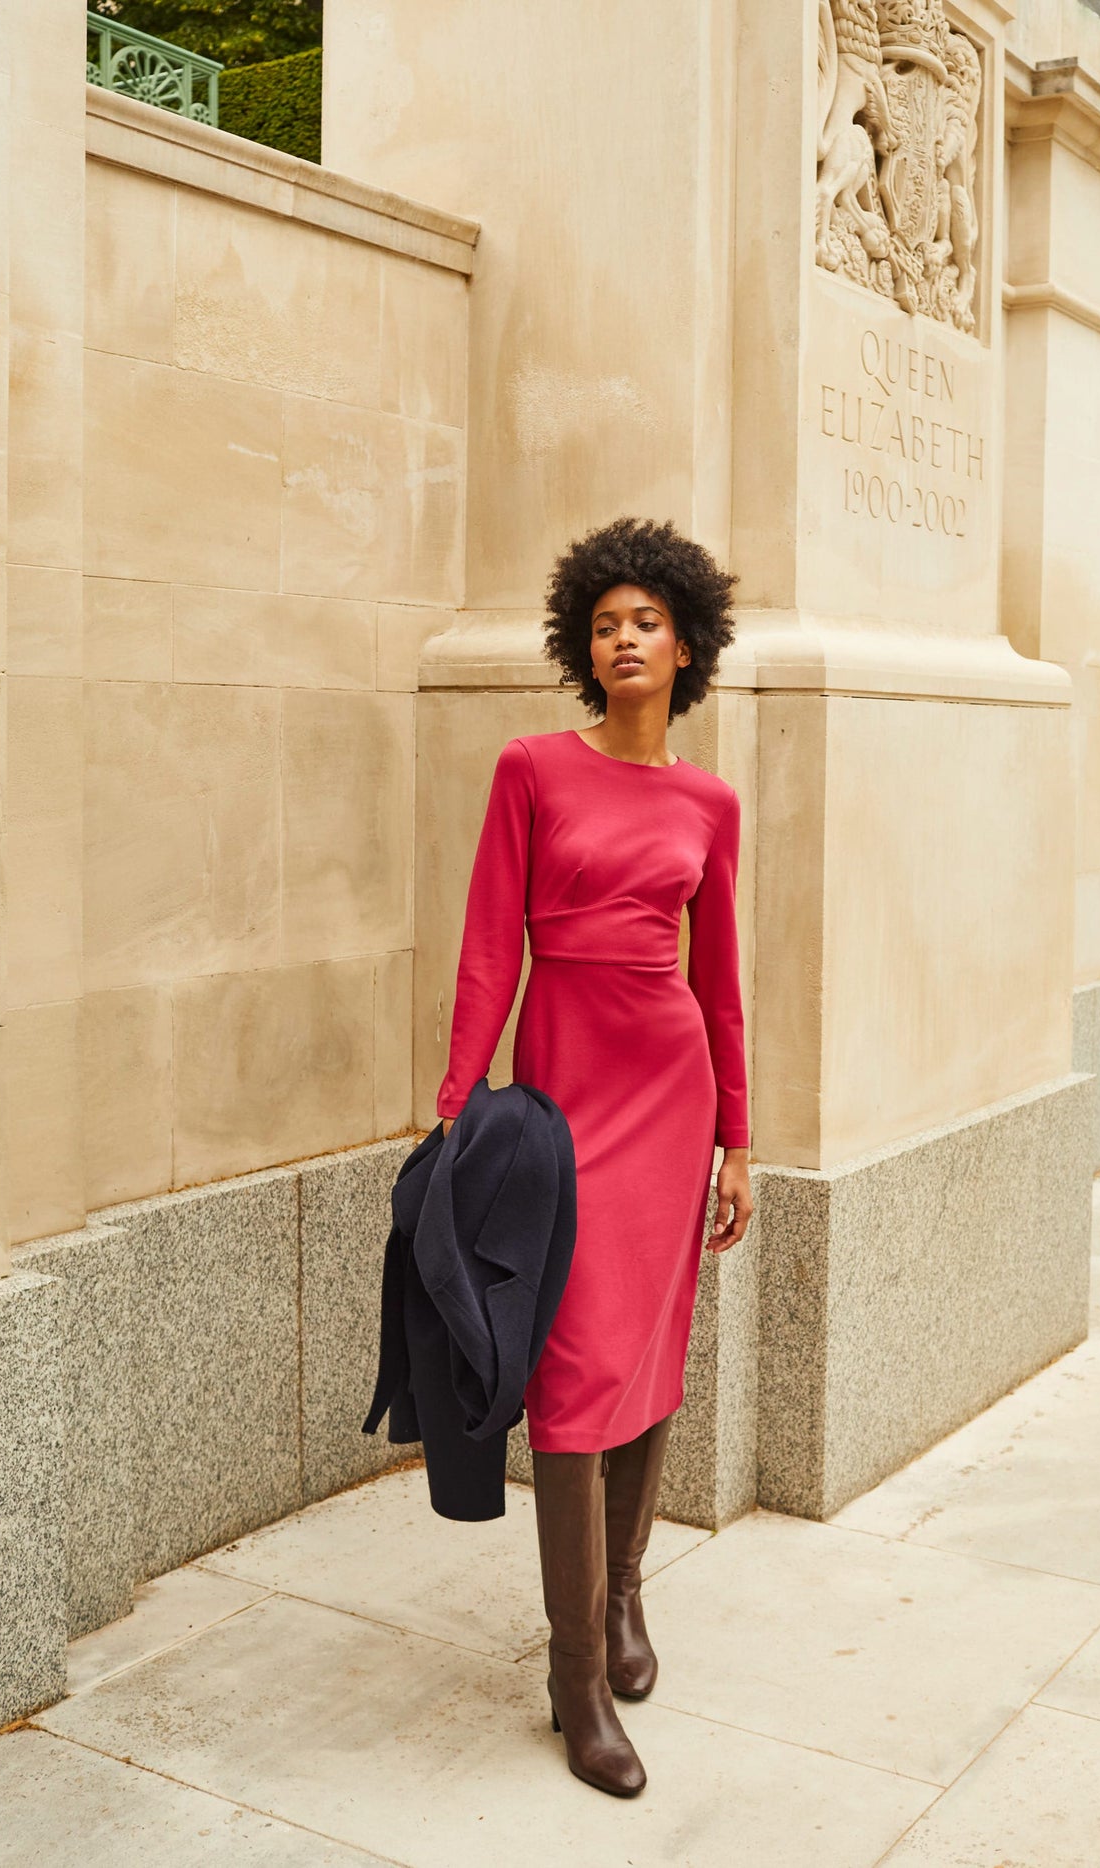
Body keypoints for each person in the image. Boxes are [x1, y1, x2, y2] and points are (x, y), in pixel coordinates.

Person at [437, 515, 753, 1797]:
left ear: (685, 647)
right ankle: (575, 1681)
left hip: (671, 1097)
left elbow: (720, 981)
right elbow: (484, 947)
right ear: (586, 645)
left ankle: (623, 1596)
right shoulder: (528, 767)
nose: (623, 638)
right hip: (562, 1100)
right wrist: (457, 1104)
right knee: (566, 1371)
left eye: (646, 622)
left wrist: (740, 1133)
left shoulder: (709, 801)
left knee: (647, 1348)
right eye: (604, 623)